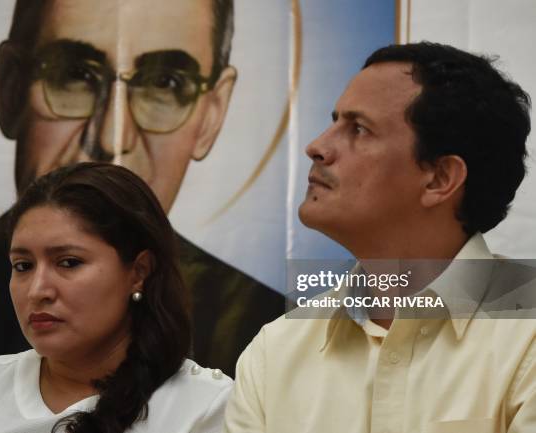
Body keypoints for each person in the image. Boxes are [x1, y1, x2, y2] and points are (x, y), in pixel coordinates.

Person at [0, 0, 285, 389]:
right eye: (73, 75)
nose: (112, 137)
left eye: (165, 83)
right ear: (10, 87)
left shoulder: (259, 343)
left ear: (212, 113)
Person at [224, 42, 536, 432]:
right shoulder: (276, 350)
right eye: (334, 121)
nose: (317, 146)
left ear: (439, 178)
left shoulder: (527, 339)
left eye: (358, 129)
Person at [0, 162, 232, 433]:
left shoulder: (203, 407)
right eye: (23, 266)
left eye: (68, 262)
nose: (37, 290)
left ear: (139, 272)